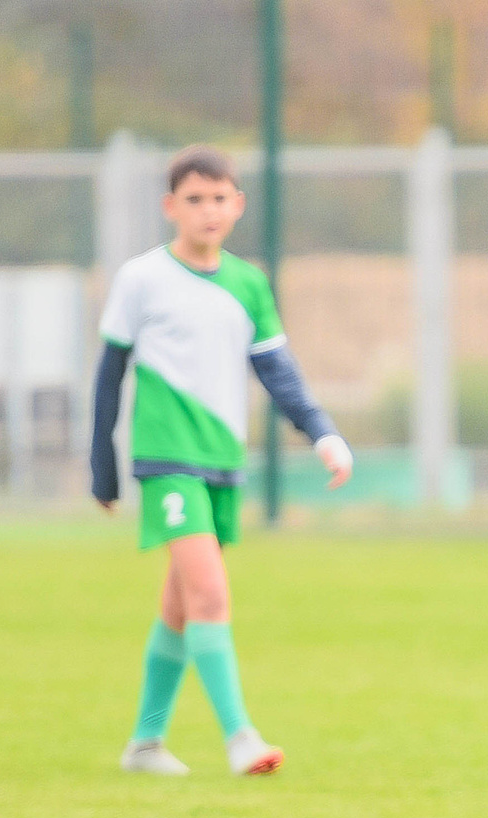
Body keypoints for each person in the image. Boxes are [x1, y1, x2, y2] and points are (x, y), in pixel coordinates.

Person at [90, 145, 351, 776]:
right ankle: (241, 738)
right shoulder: (141, 279)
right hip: (167, 460)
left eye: (219, 198)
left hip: (220, 461)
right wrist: (103, 466)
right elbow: (108, 376)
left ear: (237, 205)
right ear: (169, 207)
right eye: (194, 199)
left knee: (181, 604)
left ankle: (144, 745)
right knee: (209, 592)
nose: (208, 211)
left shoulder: (248, 284)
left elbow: (277, 372)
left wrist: (320, 431)